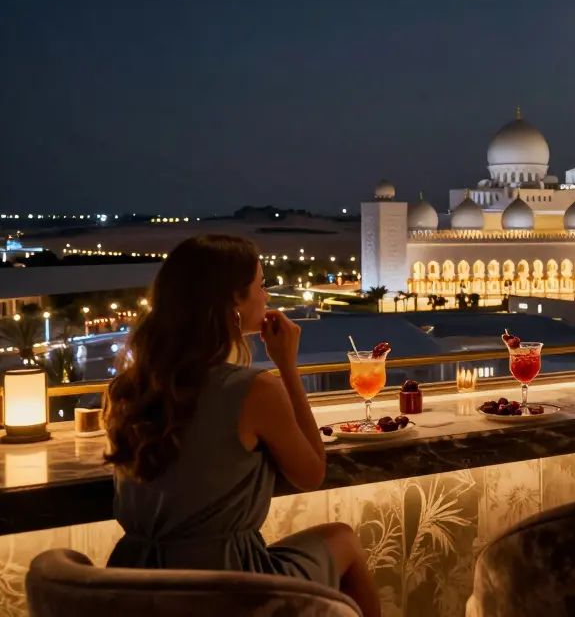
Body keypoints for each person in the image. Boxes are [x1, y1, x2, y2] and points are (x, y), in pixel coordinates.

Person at [104, 235, 379, 616]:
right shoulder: (252, 389)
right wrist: (287, 366)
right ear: (234, 301)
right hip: (227, 588)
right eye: (261, 285)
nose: (266, 297)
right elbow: (312, 473)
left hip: (134, 585)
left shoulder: (125, 389)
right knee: (344, 540)